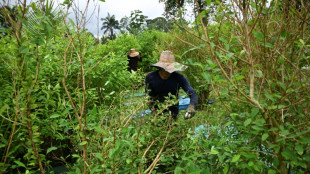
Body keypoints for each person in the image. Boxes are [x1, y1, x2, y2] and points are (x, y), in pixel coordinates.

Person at [145, 50, 198, 120]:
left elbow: (193, 94)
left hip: (173, 111)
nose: (168, 71)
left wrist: (191, 106)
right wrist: (154, 111)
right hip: (157, 110)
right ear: (161, 67)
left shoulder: (179, 78)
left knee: (171, 127)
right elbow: (149, 97)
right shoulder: (150, 77)